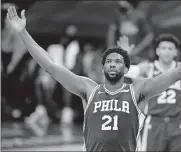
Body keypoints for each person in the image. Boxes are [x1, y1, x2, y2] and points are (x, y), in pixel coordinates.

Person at [6, 6, 181, 151]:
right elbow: (51, 66)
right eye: (109, 61)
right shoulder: (89, 89)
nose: (113, 64)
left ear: (127, 69)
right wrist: (23, 33)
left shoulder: (138, 90)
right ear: (102, 68)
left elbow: (175, 73)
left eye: (118, 61)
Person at [140, 34, 181, 151]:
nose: (167, 52)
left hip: (176, 122)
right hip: (154, 123)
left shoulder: (179, 68)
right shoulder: (148, 68)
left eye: (170, 49)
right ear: (157, 51)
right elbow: (126, 70)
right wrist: (124, 56)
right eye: (163, 48)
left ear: (175, 52)